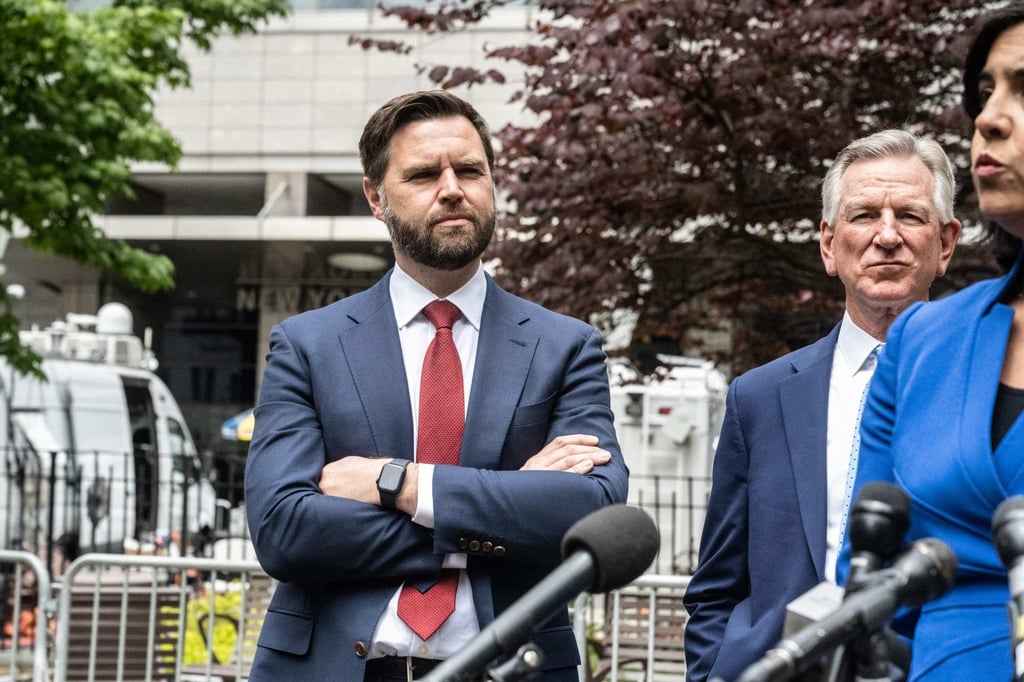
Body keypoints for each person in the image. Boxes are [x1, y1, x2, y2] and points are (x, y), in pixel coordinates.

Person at [243, 90, 629, 681]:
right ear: (376, 197)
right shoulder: (309, 345)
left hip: (510, 669)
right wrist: (498, 513)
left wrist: (397, 483)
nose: (452, 188)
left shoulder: (565, 346)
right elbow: (285, 531)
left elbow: (590, 509)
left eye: (470, 170)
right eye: (424, 173)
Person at [683, 129, 961, 682]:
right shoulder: (758, 398)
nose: (886, 236)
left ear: (946, 244)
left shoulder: (987, 383)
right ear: (829, 245)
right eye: (863, 216)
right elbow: (717, 586)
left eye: (909, 215)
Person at [842, 4, 1024, 680]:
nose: (989, 118)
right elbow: (864, 578)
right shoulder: (923, 338)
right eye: (984, 93)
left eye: (1023, 88)